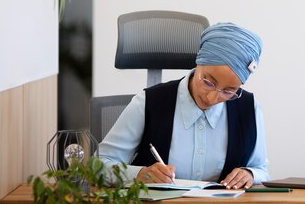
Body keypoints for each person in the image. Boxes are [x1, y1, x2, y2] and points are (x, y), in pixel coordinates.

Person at [99, 22, 269, 189]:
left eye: (228, 91)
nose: (212, 97)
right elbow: (98, 166)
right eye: (209, 82)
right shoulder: (148, 102)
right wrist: (138, 174)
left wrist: (250, 174)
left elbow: (261, 169)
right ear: (198, 62)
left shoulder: (249, 108)